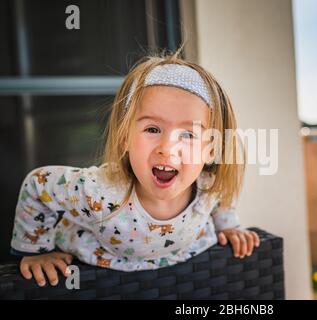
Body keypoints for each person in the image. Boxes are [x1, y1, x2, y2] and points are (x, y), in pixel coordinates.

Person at [10, 48, 260, 287]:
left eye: (188, 134)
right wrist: (35, 251)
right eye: (152, 129)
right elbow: (39, 183)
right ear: (124, 138)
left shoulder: (208, 185)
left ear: (212, 148)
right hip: (99, 271)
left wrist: (228, 226)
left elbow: (221, 195)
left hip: (179, 274)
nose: (168, 148)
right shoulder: (98, 192)